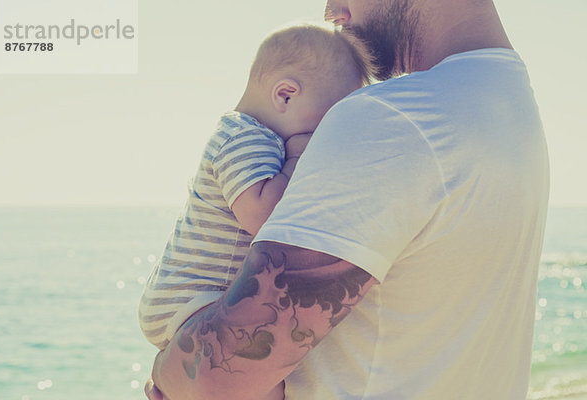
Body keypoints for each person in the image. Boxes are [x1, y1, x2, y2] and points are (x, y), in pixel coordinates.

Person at [146, 1, 550, 399]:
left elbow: (216, 378)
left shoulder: (389, 117)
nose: (330, 7)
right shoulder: (511, 110)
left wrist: (165, 375)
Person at [139, 23, 374, 351]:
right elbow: (262, 216)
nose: (323, 136)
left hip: (196, 300)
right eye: (324, 122)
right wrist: (295, 159)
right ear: (285, 95)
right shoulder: (245, 138)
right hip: (190, 301)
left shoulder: (253, 136)